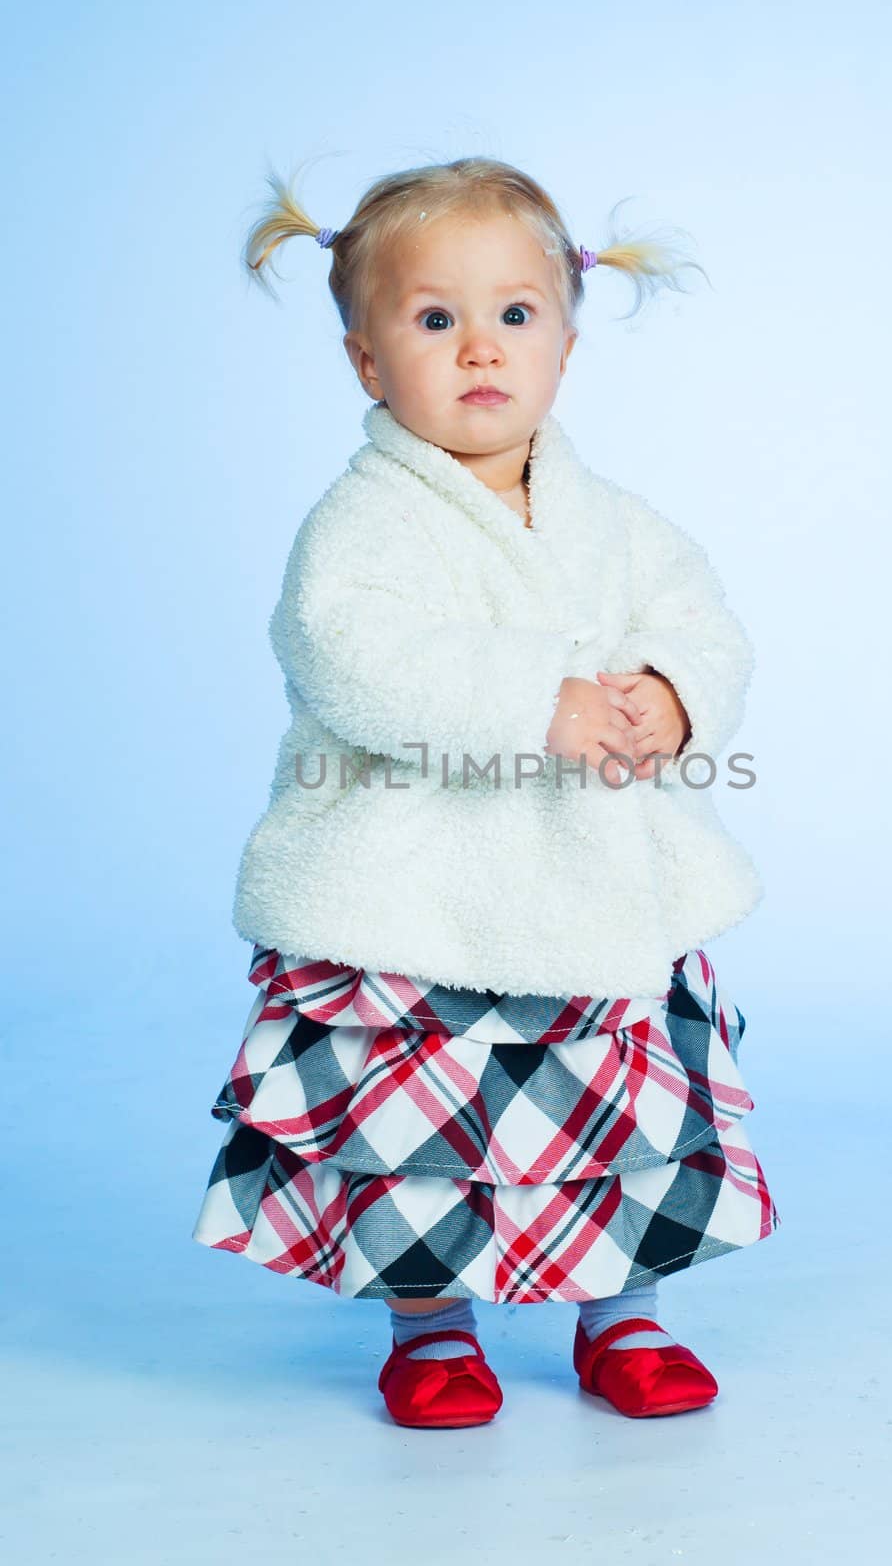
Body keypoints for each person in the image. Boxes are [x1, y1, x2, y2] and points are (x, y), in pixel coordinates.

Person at [191, 154, 781, 1429]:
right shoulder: (361, 524)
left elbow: (708, 623)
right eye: (433, 318)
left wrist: (674, 694)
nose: (478, 350)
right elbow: (349, 653)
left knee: (613, 1116)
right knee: (427, 1132)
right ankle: (432, 1327)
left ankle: (621, 1314)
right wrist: (537, 700)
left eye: (513, 315)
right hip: (418, 894)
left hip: (598, 885)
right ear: (365, 363)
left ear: (563, 348)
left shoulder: (614, 519)